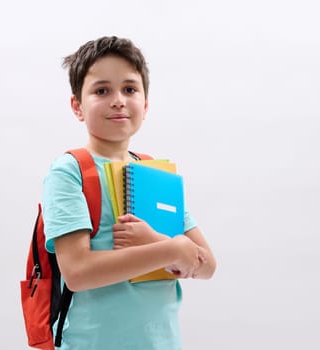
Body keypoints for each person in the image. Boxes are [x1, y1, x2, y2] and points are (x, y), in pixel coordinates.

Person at [42, 36, 216, 350]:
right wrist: (172, 249)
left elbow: (206, 264)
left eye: (130, 89)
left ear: (146, 104)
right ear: (77, 106)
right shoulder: (70, 172)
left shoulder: (156, 173)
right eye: (101, 90)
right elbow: (78, 272)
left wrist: (162, 242)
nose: (118, 100)